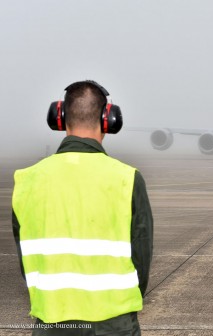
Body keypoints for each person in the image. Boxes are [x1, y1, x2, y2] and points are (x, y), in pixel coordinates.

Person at [12, 80, 153, 335]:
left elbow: (26, 259)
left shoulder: (27, 180)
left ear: (59, 117)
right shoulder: (127, 178)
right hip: (114, 323)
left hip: (51, 321)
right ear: (108, 119)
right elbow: (141, 260)